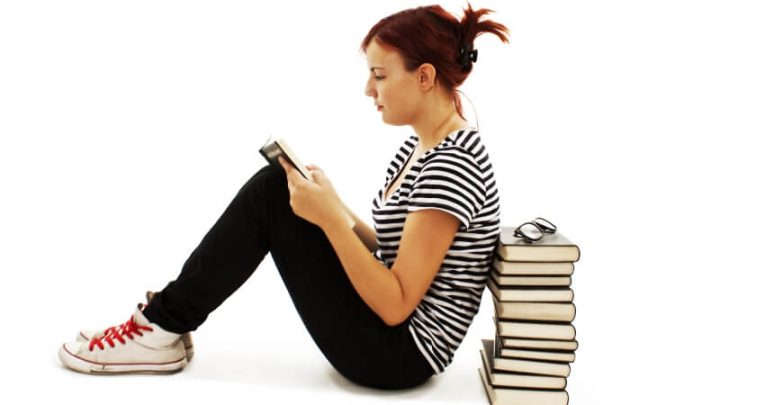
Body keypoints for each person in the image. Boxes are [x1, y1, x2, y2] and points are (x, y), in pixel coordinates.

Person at [58, 2, 509, 390]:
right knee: (279, 189)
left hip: (398, 356)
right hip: (391, 339)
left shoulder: (453, 165)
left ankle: (158, 329)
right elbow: (395, 253)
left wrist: (329, 220)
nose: (368, 90)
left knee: (271, 192)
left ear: (425, 76)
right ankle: (163, 325)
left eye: (379, 75)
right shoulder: (423, 147)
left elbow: (395, 305)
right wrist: (334, 208)